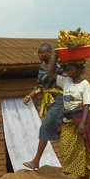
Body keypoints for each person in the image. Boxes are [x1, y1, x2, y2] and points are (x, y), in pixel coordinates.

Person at [48, 52, 90, 179]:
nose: (69, 72)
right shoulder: (65, 81)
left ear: (80, 70)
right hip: (68, 120)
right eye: (67, 70)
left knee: (85, 149)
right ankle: (80, 176)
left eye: (72, 69)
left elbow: (87, 104)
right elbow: (51, 73)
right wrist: (56, 57)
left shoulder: (85, 84)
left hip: (81, 119)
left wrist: (82, 123)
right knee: (65, 147)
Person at [23, 43, 65, 171]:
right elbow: (39, 86)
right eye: (38, 53)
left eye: (42, 53)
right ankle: (36, 161)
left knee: (45, 127)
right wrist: (29, 96)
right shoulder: (41, 67)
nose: (40, 55)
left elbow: (65, 82)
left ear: (50, 53)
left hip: (58, 101)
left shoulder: (56, 67)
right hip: (49, 102)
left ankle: (36, 161)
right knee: (52, 130)